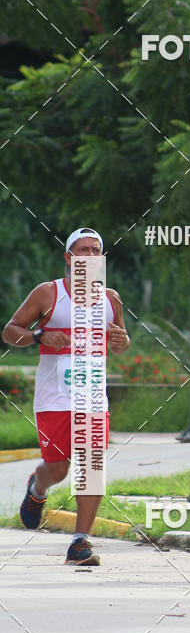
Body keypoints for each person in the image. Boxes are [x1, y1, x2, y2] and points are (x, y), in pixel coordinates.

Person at [2, 228, 130, 566]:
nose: (89, 255)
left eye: (95, 250)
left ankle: (79, 542)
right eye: (82, 250)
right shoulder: (49, 293)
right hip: (54, 397)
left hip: (92, 397)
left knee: (92, 464)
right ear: (68, 258)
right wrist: (40, 335)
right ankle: (38, 487)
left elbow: (121, 338)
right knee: (58, 469)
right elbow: (11, 331)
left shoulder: (111, 299)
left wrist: (121, 342)